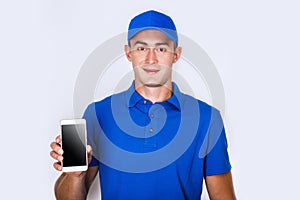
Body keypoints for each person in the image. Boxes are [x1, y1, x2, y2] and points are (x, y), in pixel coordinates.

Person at [50, 10, 236, 200]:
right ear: (128, 53)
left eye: (161, 49)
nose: (151, 59)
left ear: (176, 54)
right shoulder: (98, 114)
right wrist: (74, 175)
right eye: (141, 48)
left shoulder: (207, 118)